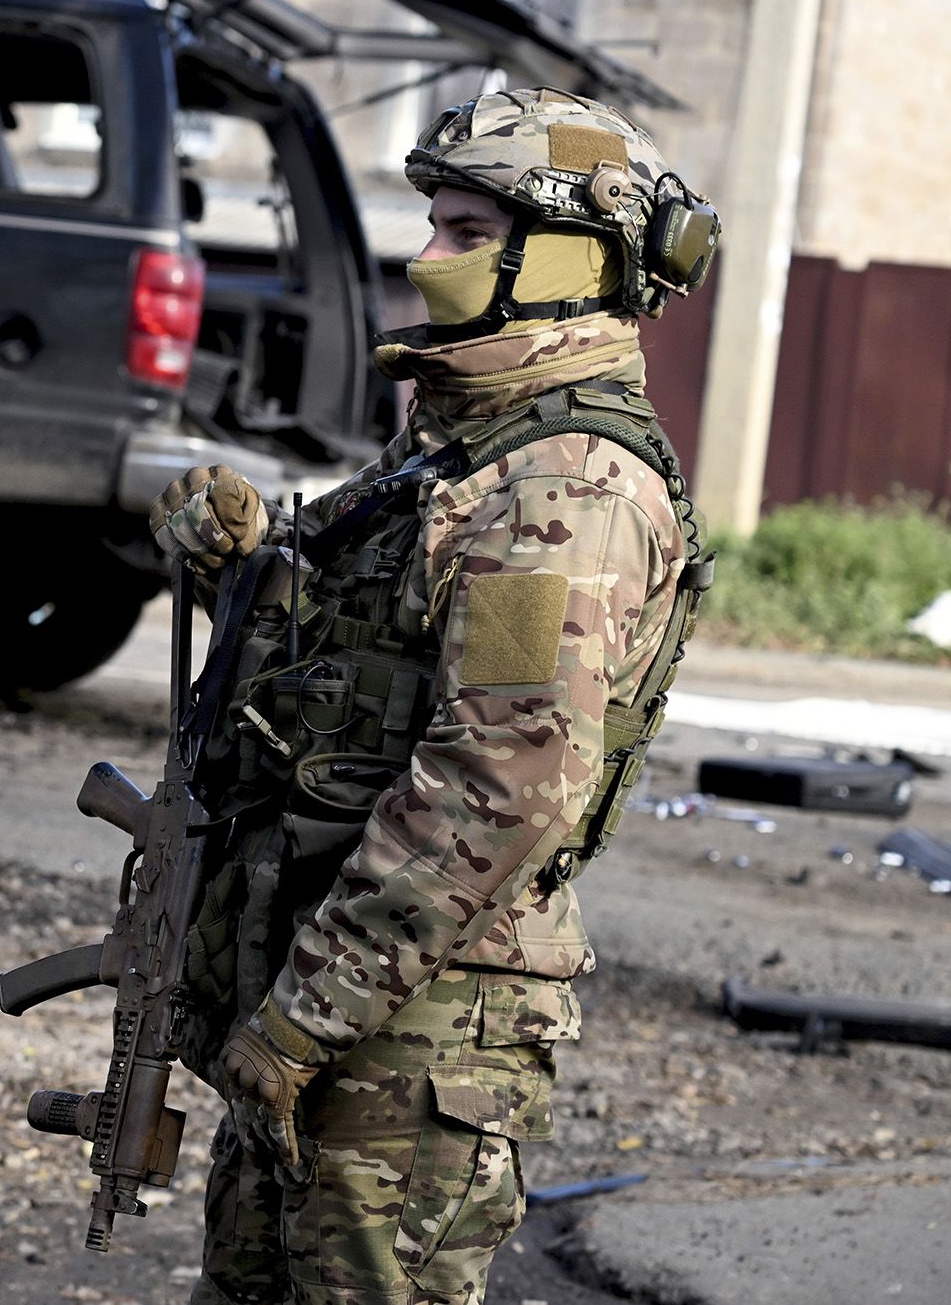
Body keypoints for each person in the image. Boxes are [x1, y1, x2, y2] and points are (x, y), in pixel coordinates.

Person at [148, 88, 718, 1305]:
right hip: (328, 983)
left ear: (565, 256)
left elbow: (497, 781)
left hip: (409, 1024)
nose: (427, 257)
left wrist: (302, 1019)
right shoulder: (461, 441)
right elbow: (354, 641)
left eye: (466, 232)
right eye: (433, 225)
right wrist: (244, 557)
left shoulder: (565, 489)